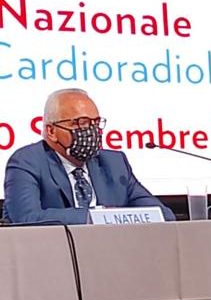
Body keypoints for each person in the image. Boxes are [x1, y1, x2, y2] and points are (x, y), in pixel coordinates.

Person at [3, 88, 174, 225]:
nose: (91, 131)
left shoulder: (115, 163)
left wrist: (115, 217)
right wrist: (96, 217)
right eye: (81, 123)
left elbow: (163, 214)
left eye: (95, 123)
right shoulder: (27, 162)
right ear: (51, 131)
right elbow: (26, 218)